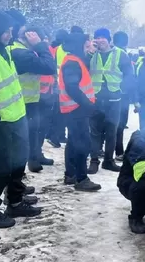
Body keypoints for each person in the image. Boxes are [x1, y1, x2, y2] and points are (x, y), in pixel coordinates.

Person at [0, 10, 42, 229]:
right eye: (7, 31)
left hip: (16, 115)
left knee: (18, 162)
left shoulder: (3, 48)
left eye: (11, 30)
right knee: (0, 167)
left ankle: (15, 201)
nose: (10, 35)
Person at [7, 11, 56, 173]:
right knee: (24, 138)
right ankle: (27, 166)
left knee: (35, 131)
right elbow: (49, 67)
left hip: (30, 98)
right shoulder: (20, 52)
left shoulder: (21, 50)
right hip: (22, 101)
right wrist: (40, 46)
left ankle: (35, 156)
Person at [59, 31, 102, 191]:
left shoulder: (74, 60)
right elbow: (72, 88)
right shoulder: (72, 62)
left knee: (73, 142)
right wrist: (87, 105)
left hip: (73, 109)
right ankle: (81, 178)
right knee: (81, 144)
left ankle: (70, 174)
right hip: (76, 110)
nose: (88, 46)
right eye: (86, 43)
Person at [86, 28, 126, 174]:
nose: (100, 40)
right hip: (95, 98)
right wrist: (89, 53)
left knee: (111, 131)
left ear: (109, 40)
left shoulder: (120, 54)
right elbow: (83, 70)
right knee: (94, 132)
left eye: (103, 37)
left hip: (114, 99)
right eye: (97, 37)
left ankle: (109, 161)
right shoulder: (90, 54)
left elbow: (129, 75)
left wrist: (124, 91)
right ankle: (94, 160)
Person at [41, 30, 67, 149]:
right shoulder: (61, 49)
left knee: (55, 112)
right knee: (59, 113)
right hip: (58, 84)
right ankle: (55, 136)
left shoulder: (52, 48)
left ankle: (54, 135)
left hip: (52, 84)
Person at [112, 31, 135, 161]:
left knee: (105, 124)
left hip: (105, 94)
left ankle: (98, 150)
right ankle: (119, 152)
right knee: (119, 125)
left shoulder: (106, 53)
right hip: (122, 95)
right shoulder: (124, 55)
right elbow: (130, 78)